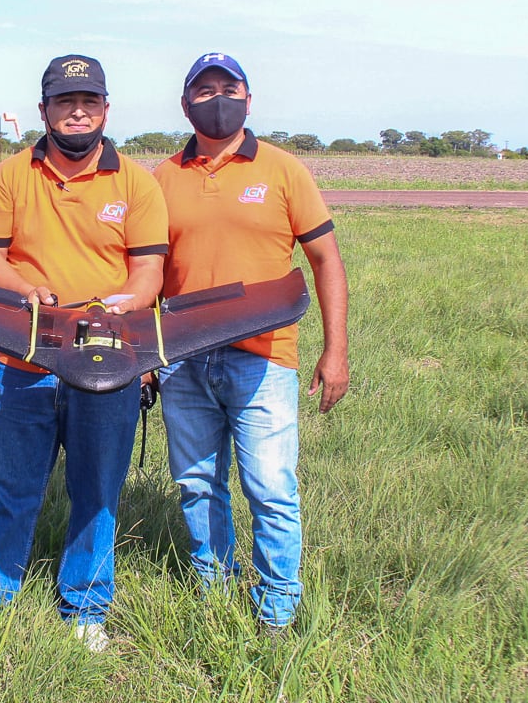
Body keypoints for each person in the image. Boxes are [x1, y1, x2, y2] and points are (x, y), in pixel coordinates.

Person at [0, 54, 169, 651]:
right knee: (12, 485)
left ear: (106, 109)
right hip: (24, 359)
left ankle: (85, 607)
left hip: (107, 366)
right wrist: (24, 291)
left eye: (88, 102)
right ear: (44, 110)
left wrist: (122, 303)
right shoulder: (10, 176)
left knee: (97, 489)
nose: (76, 112)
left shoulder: (136, 181)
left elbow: (150, 270)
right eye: (64, 101)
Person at [153, 52, 349, 631]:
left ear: (248, 96)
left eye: (229, 87)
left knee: (269, 486)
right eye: (204, 89)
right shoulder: (162, 177)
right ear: (186, 103)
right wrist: (143, 353)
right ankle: (213, 586)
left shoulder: (284, 171)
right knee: (196, 483)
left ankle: (278, 602)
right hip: (181, 357)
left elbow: (325, 260)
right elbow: (146, 269)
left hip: (263, 356)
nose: (218, 98)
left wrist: (334, 350)